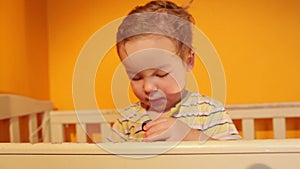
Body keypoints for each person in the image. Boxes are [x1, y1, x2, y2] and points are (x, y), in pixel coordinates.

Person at [108, 0, 241, 142]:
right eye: (136, 77)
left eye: (161, 74)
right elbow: (104, 162)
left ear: (188, 61)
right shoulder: (127, 121)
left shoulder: (209, 111)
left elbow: (235, 159)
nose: (148, 87)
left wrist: (191, 136)